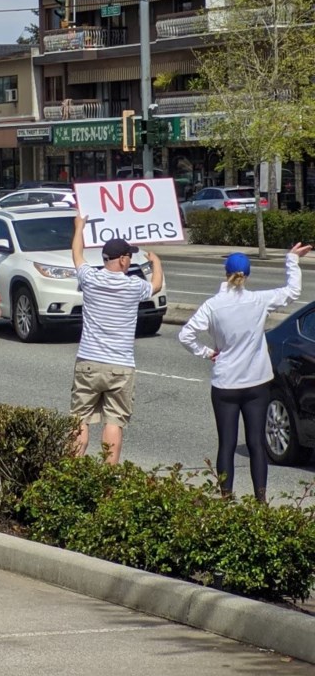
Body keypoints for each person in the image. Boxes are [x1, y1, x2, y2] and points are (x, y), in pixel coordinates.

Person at [178, 245, 311, 500]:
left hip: (226, 383)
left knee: (226, 444)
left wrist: (207, 353)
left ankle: (226, 498)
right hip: (256, 382)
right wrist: (291, 260)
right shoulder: (258, 300)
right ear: (247, 275)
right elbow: (292, 291)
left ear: (225, 272)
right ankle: (260, 500)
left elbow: (186, 335)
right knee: (256, 443)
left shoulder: (213, 305)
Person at [70, 214, 163, 464]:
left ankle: (71, 473)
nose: (130, 259)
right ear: (122, 260)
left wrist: (79, 227)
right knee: (114, 421)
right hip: (120, 365)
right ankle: (108, 479)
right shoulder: (133, 286)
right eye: (129, 256)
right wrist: (156, 262)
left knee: (80, 418)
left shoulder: (89, 278)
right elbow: (155, 285)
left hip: (88, 360)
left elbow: (76, 254)